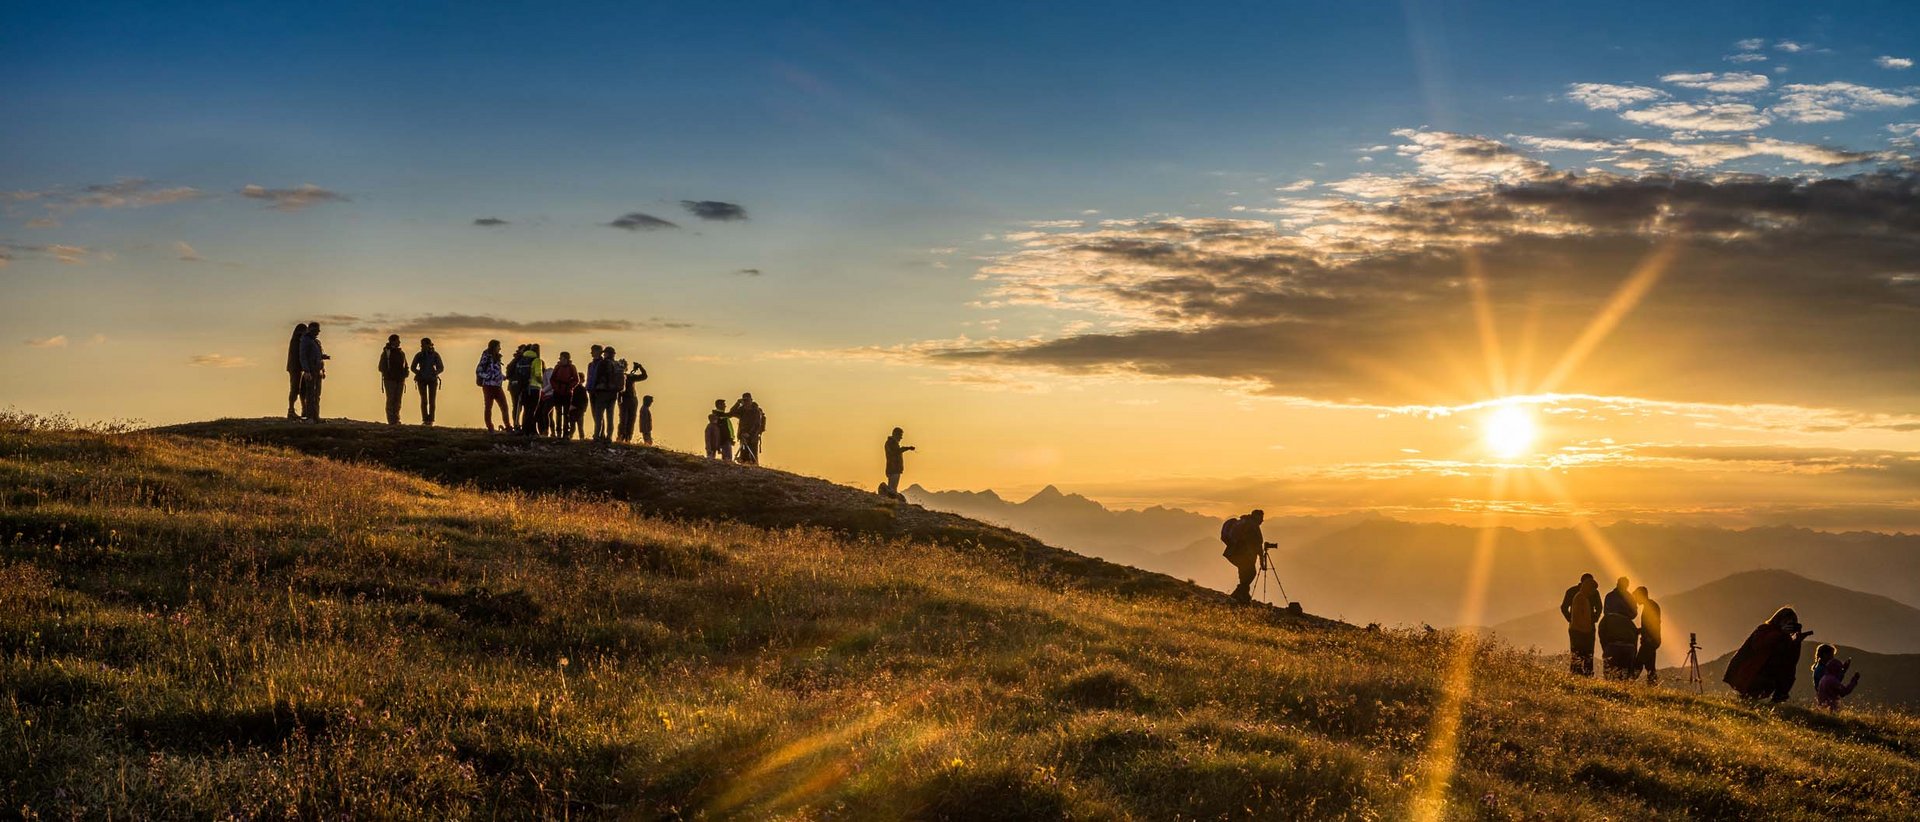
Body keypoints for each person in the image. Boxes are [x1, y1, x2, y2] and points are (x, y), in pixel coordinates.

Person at [1724, 606, 1814, 702]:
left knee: (1787, 674)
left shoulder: (1786, 638)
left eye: (1792, 623)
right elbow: (1758, 645)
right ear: (1778, 620)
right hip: (1753, 670)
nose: (1789, 625)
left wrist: (1797, 643)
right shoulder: (1764, 629)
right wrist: (1780, 632)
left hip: (1770, 673)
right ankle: (1746, 700)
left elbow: (1791, 660)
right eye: (1787, 622)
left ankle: (1778, 698)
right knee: (1752, 696)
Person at [1221, 509, 1268, 604]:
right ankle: (1237, 594)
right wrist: (1262, 563)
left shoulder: (1244, 522)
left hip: (1233, 553)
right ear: (1257, 517)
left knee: (1244, 574)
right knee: (1251, 573)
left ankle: (1243, 596)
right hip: (1244, 555)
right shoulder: (1253, 526)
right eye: (1261, 518)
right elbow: (1258, 546)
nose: (1262, 521)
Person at [1599, 577, 1640, 679]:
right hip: (1627, 637)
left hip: (1612, 638)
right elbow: (1634, 613)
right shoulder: (1629, 598)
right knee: (1626, 671)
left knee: (1610, 671)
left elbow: (1606, 612)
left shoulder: (1610, 597)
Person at [1560, 574, 1601, 677]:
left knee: (1576, 652)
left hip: (1576, 627)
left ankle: (1575, 674)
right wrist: (1593, 620)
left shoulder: (1572, 591)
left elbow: (1564, 607)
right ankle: (1586, 675)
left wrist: (1571, 619)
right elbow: (1599, 608)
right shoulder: (1588, 594)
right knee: (1588, 653)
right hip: (1585, 628)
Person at [589, 346, 623, 442]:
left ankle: (596, 436)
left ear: (607, 354)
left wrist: (594, 388)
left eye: (605, 353)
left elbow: (597, 376)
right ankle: (609, 437)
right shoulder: (617, 364)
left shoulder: (603, 363)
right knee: (610, 415)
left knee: (599, 415)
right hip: (614, 393)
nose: (603, 354)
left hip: (602, 392)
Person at [541, 352, 579, 438]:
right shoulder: (557, 367)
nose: (561, 360)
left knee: (566, 414)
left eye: (562, 358)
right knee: (558, 413)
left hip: (567, 393)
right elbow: (552, 379)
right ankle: (558, 432)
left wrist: (569, 387)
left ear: (566, 359)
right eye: (560, 358)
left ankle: (565, 433)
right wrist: (556, 388)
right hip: (557, 393)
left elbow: (576, 380)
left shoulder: (572, 367)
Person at [1812, 645, 1861, 711]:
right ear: (1824, 654)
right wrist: (1854, 680)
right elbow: (1841, 690)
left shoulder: (1824, 674)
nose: (1832, 657)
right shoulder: (1821, 671)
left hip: (1822, 703)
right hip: (1830, 706)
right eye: (1831, 655)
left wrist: (1843, 670)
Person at [476, 340, 510, 432]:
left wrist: (502, 377)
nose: (500, 348)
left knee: (504, 407)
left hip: (497, 386)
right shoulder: (486, 357)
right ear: (494, 347)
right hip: (488, 386)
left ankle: (508, 426)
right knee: (489, 407)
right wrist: (489, 377)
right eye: (499, 346)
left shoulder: (497, 358)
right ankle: (490, 427)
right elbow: (479, 370)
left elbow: (496, 371)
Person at [298, 321, 328, 421]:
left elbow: (317, 356)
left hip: (318, 370)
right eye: (316, 330)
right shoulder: (306, 340)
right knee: (310, 394)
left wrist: (323, 363)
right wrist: (306, 371)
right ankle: (310, 416)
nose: (318, 333)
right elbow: (303, 356)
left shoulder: (315, 342)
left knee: (317, 394)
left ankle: (316, 416)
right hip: (311, 370)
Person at [410, 338, 444, 425]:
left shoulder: (435, 355)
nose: (422, 346)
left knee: (432, 401)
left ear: (429, 345)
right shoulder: (419, 355)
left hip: (432, 380)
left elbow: (441, 367)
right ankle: (425, 420)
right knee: (424, 400)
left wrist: (434, 373)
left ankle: (431, 420)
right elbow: (412, 367)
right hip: (421, 380)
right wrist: (419, 373)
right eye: (422, 344)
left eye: (423, 344)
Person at [1633, 586, 1662, 683]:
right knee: (1650, 665)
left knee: (1638, 662)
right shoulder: (1651, 605)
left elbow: (1653, 623)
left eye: (1636, 597)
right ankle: (1652, 684)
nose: (1636, 600)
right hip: (1652, 640)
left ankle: (1629, 682)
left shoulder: (1650, 607)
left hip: (1650, 641)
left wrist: (1648, 636)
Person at [377, 334, 408, 425]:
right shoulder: (386, 352)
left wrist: (406, 373)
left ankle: (396, 419)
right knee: (391, 399)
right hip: (390, 380)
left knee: (398, 400)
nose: (399, 342)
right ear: (393, 341)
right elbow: (381, 367)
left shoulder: (401, 353)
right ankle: (391, 420)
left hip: (400, 380)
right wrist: (388, 374)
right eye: (398, 340)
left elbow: (405, 365)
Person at [515, 344, 545, 435]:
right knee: (532, 410)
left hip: (524, 388)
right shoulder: (537, 360)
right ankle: (529, 430)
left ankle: (525, 429)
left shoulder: (522, 360)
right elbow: (538, 374)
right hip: (534, 387)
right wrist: (542, 382)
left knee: (526, 409)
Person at [730, 393, 766, 464]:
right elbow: (731, 413)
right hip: (743, 436)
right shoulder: (742, 410)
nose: (746, 402)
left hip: (753, 437)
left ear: (751, 400)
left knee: (753, 455)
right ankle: (744, 465)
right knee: (743, 454)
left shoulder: (756, 411)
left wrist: (749, 434)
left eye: (747, 400)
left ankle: (754, 467)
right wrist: (737, 403)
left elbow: (757, 425)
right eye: (744, 400)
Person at [617, 362, 648, 443]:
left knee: (631, 419)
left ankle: (628, 438)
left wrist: (640, 367)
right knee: (623, 420)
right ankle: (621, 437)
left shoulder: (630, 376)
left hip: (632, 400)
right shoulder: (618, 376)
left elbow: (644, 376)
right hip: (624, 400)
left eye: (624, 366)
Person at [881, 427, 914, 498]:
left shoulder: (891, 443)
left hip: (893, 469)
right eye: (900, 435)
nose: (901, 438)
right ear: (896, 434)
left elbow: (896, 451)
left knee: (892, 489)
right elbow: (896, 451)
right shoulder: (891, 443)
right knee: (892, 490)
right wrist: (907, 448)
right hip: (893, 469)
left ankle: (890, 502)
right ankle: (890, 503)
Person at [285, 323, 308, 419]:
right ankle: (291, 410)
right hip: (296, 368)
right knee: (295, 389)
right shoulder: (297, 341)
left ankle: (304, 409)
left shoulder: (299, 341)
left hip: (300, 368)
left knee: (303, 389)